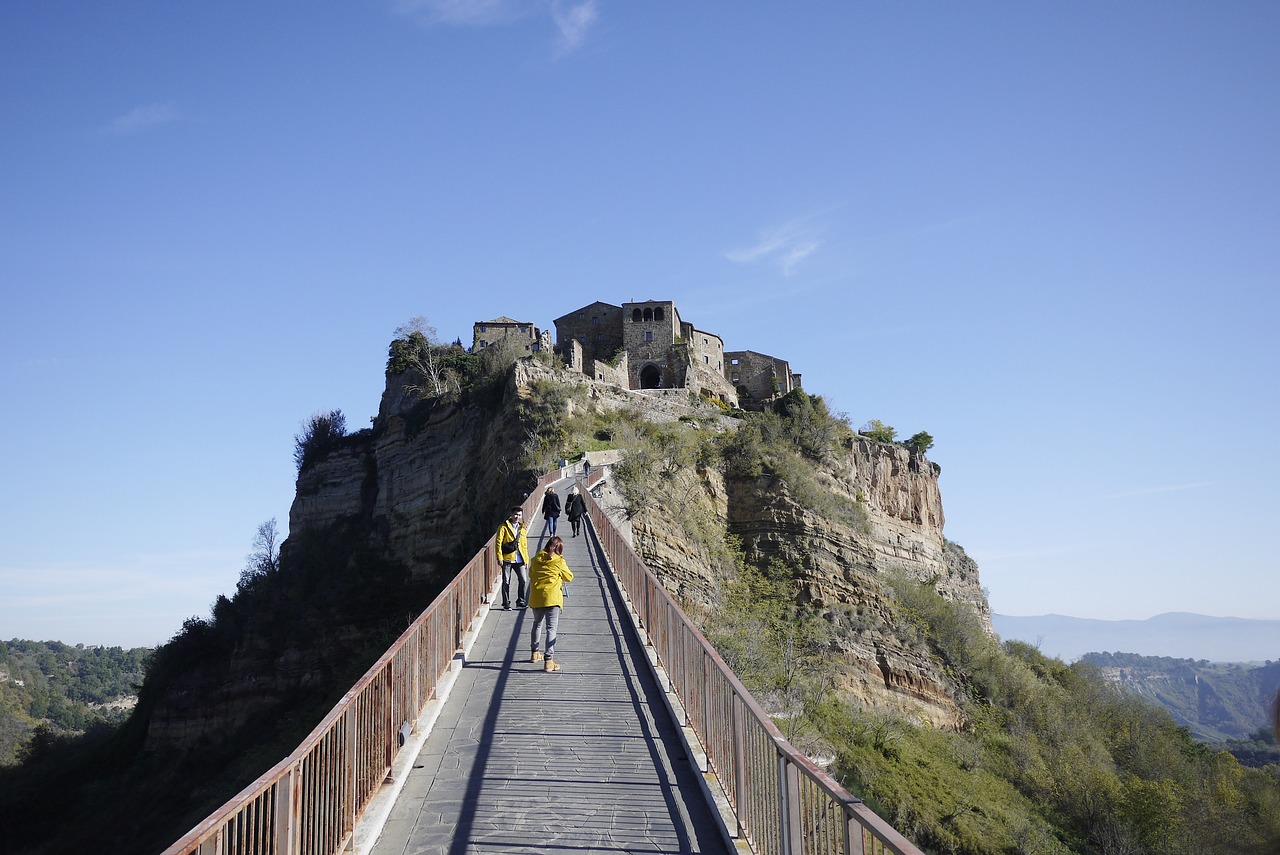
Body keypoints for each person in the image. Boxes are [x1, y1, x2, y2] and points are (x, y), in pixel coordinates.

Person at [528, 535, 574, 672]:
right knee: (551, 628)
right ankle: (549, 660)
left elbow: (531, 574)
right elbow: (569, 577)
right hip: (552, 598)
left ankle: (534, 654)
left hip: (537, 596)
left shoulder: (536, 559)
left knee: (537, 624)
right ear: (559, 549)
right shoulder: (559, 561)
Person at [495, 506, 529, 610]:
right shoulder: (503, 527)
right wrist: (499, 557)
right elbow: (498, 543)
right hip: (508, 558)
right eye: (516, 514)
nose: (517, 517)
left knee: (523, 580)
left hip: (520, 559)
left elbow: (524, 545)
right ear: (511, 514)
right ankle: (506, 603)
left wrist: (526, 560)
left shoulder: (522, 528)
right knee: (506, 582)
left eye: (519, 515)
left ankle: (520, 601)